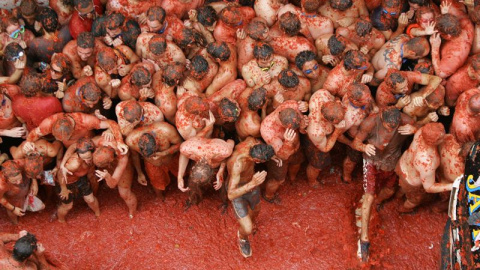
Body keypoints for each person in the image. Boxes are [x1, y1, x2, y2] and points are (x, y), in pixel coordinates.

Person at [351, 107, 416, 262]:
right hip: (371, 160)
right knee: (369, 195)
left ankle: (377, 204)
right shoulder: (370, 122)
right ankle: (364, 239)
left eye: (394, 127)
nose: (391, 130)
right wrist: (364, 146)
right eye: (388, 127)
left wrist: (415, 129)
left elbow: (421, 130)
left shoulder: (406, 120)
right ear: (381, 117)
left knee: (389, 191)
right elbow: (355, 142)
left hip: (391, 159)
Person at [227, 138, 275, 258]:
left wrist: (272, 155)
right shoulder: (238, 163)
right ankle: (242, 237)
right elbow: (231, 194)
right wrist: (252, 184)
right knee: (248, 228)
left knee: (257, 210)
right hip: (238, 190)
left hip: (251, 184)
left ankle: (249, 224)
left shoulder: (252, 143)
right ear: (257, 161)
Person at [395, 123, 451, 212]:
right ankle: (402, 210)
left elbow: (418, 130)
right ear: (434, 142)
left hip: (402, 165)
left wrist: (413, 129)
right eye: (442, 137)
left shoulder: (421, 131)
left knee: (401, 186)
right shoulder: (427, 162)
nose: (445, 137)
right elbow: (429, 187)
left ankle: (398, 195)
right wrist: (452, 186)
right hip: (412, 182)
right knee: (413, 201)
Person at [260, 100, 308, 202]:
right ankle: (268, 196)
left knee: (297, 162)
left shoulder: (291, 105)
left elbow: (302, 128)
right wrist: (287, 143)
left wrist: (303, 125)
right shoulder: (268, 129)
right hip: (280, 155)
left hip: (296, 147)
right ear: (284, 125)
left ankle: (292, 179)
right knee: (278, 180)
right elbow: (282, 156)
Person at [125, 121, 183, 198]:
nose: (153, 156)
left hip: (171, 158)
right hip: (152, 165)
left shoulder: (166, 130)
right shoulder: (131, 140)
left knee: (183, 174)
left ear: (157, 142)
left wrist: (165, 153)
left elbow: (181, 144)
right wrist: (140, 173)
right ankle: (160, 198)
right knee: (157, 183)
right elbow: (135, 156)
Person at [55, 138, 100, 223]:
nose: (87, 160)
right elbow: (60, 173)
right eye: (83, 158)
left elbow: (73, 146)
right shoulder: (74, 163)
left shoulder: (96, 152)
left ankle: (98, 214)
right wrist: (63, 188)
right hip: (66, 182)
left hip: (80, 178)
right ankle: (61, 220)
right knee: (68, 206)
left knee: (91, 199)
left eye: (88, 157)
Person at [429, 7, 474, 78]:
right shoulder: (467, 24)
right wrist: (445, 15)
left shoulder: (454, 55)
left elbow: (440, 74)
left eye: (439, 32)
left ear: (448, 36)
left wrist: (434, 48)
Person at [0, 160, 31, 224]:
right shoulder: (1, 185)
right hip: (11, 198)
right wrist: (13, 209)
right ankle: (15, 223)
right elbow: (0, 199)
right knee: (13, 211)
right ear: (7, 179)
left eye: (19, 178)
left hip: (22, 195)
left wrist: (34, 183)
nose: (19, 182)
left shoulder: (21, 163)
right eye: (14, 181)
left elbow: (32, 170)